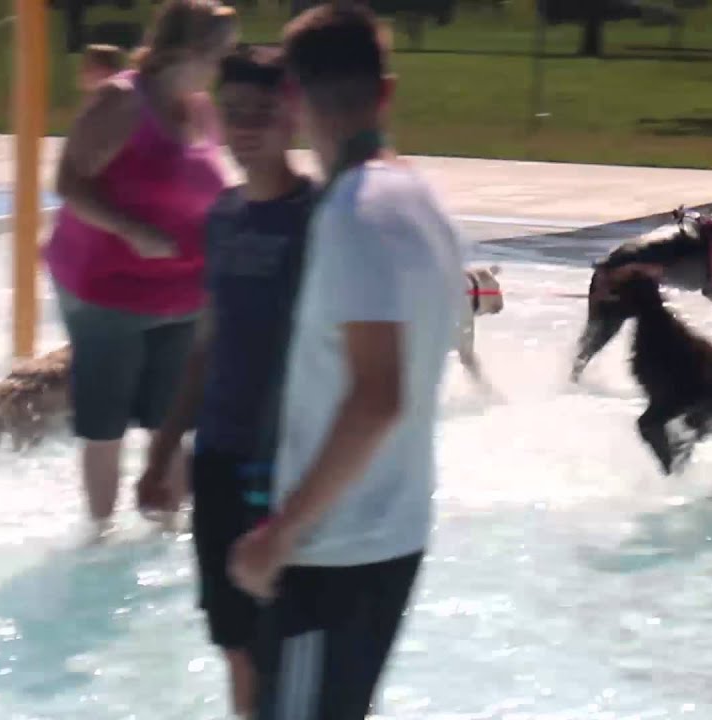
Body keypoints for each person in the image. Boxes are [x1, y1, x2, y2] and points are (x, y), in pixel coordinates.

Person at [228, 5, 466, 719]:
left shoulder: (357, 216)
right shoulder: (422, 202)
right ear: (386, 92)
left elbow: (376, 397)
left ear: (293, 99)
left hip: (336, 548)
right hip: (388, 531)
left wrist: (282, 534)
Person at [137, 43, 315, 720]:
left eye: (261, 112)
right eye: (233, 112)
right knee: (234, 640)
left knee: (289, 641)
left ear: (293, 115)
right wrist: (161, 453)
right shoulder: (225, 215)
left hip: (286, 468)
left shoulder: (318, 218)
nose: (245, 127)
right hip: (216, 459)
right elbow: (208, 340)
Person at [43, 0, 237, 542]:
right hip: (107, 292)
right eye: (218, 52)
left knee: (171, 421)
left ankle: (169, 536)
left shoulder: (200, 108)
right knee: (105, 424)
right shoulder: (122, 101)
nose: (224, 64)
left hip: (183, 292)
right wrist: (131, 230)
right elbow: (69, 182)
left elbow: (210, 187)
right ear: (185, 50)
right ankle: (100, 539)